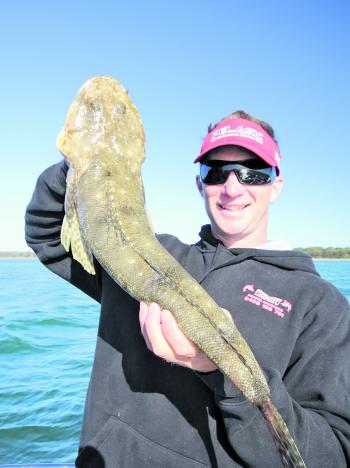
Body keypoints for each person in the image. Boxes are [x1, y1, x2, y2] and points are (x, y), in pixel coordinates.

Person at [25, 110, 350, 467]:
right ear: (200, 183)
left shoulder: (320, 305)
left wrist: (224, 375)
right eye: (215, 171)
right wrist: (84, 163)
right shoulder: (134, 250)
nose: (232, 187)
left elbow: (332, 453)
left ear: (276, 186)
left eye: (253, 172)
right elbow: (49, 235)